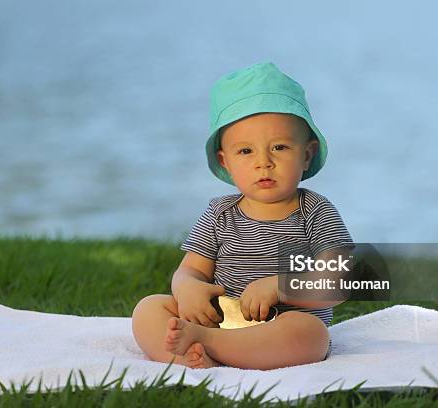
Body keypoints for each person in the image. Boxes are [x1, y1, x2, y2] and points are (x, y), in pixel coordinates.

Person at [132, 62, 353, 370]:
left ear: (307, 154)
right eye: (246, 152)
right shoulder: (219, 213)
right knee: (149, 310)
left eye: (279, 147)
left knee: (311, 335)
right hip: (217, 318)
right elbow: (190, 270)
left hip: (278, 327)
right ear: (225, 161)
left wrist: (281, 286)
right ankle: (193, 355)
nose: (264, 162)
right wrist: (187, 289)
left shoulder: (315, 211)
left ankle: (211, 347)